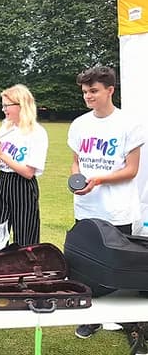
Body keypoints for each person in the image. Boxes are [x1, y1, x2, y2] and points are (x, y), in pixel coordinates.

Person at [67, 66, 146, 353]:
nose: (88, 96)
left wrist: (98, 179)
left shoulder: (129, 124)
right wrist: (78, 179)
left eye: (94, 91)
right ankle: (93, 319)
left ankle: (135, 327)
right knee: (86, 267)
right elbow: (76, 162)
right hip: (85, 208)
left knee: (119, 271)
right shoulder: (79, 125)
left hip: (116, 210)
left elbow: (132, 170)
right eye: (85, 92)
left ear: (110, 90)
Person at [0, 84, 48, 246]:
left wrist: (1, 155)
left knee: (26, 235)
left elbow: (28, 173)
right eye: (2, 105)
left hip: (23, 186)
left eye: (7, 105)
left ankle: (26, 269)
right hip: (3, 182)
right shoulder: (6, 126)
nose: (3, 109)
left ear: (21, 105)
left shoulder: (37, 132)